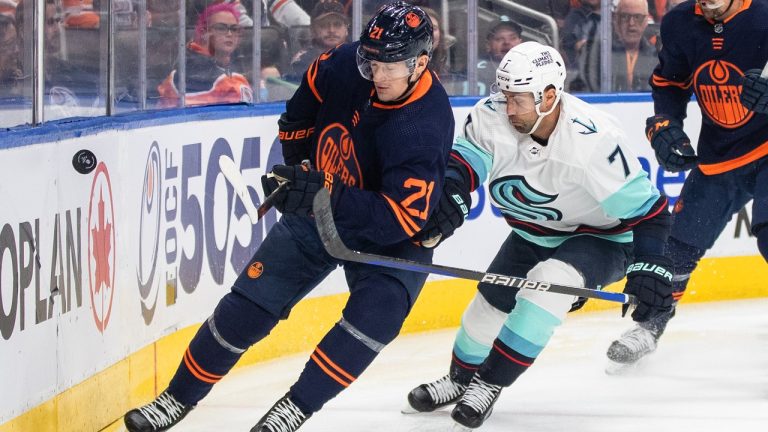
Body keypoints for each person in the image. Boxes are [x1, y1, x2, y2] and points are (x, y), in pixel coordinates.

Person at [123, 2, 454, 431]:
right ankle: (176, 398)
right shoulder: (342, 63)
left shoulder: (425, 123)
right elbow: (300, 111)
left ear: (421, 62)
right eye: (372, 62)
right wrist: (299, 169)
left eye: (391, 66)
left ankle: (293, 409)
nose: (378, 74)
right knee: (247, 307)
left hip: (387, 234)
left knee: (376, 318)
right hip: (320, 209)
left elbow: (402, 219)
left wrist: (324, 192)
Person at [403, 41, 674, 429]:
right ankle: (460, 380)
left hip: (601, 238)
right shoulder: (491, 115)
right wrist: (452, 193)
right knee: (487, 306)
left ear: (549, 95)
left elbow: (650, 214)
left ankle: (489, 384)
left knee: (546, 285)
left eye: (518, 100)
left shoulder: (594, 140)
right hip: (534, 234)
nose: (508, 108)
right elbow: (464, 164)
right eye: (505, 96)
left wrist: (651, 265)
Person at [606, 0, 768, 368]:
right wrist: (666, 122)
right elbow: (669, 82)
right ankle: (649, 326)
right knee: (676, 245)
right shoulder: (680, 21)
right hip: (720, 154)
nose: (707, 3)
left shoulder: (763, 17)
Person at [157, 2, 253, 107]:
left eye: (234, 29)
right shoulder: (188, 70)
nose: (229, 34)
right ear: (204, 32)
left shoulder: (238, 67)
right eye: (221, 28)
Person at [287, 0, 349, 81]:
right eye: (324, 25)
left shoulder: (359, 55)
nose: (331, 30)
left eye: (337, 24)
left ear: (346, 29)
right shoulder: (303, 60)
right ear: (313, 30)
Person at [611, 0, 657, 92]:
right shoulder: (601, 53)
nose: (631, 23)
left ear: (646, 22)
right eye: (625, 16)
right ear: (616, 20)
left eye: (638, 17)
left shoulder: (656, 56)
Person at [476, 20, 523, 94]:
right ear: (488, 45)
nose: (507, 42)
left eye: (513, 38)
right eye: (499, 39)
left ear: (520, 43)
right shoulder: (475, 71)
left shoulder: (532, 67)